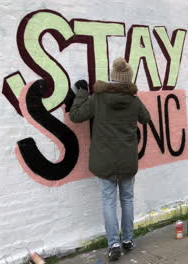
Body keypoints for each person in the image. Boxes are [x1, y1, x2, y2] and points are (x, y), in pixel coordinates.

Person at [69, 57, 150, 261]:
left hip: (103, 160)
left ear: (113, 77)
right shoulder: (133, 100)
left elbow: (76, 115)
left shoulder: (98, 98)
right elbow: (146, 118)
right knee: (127, 198)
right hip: (127, 160)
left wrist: (81, 93)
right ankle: (128, 240)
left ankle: (113, 243)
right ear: (128, 80)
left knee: (108, 200)